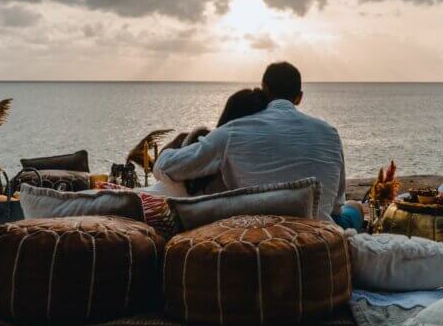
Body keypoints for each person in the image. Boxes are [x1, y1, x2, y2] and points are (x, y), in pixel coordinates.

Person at [154, 62, 364, 229]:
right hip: (321, 237)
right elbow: (336, 207)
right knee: (353, 209)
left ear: (264, 89)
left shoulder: (232, 132)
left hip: (258, 236)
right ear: (299, 97)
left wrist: (174, 144)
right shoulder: (330, 133)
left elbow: (165, 166)